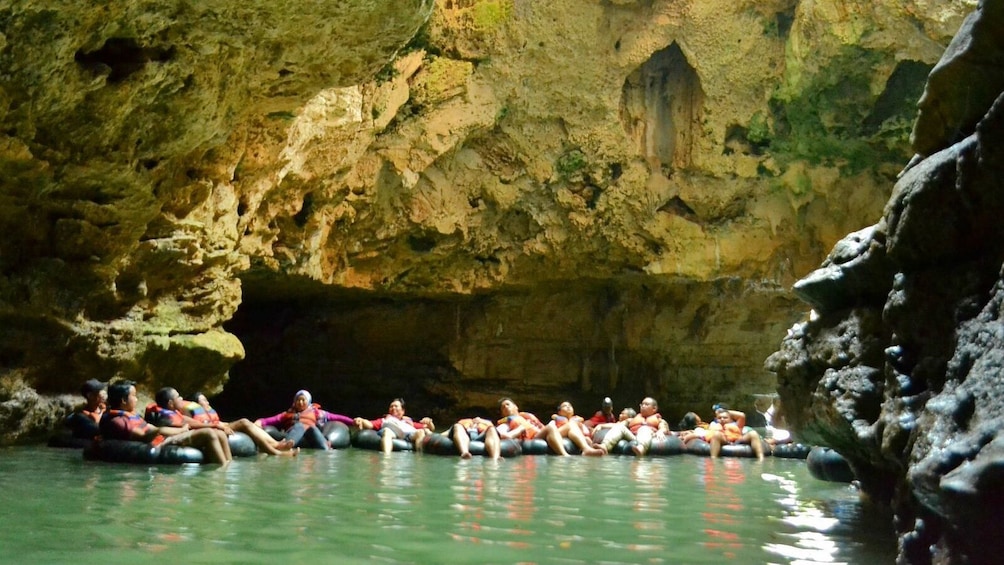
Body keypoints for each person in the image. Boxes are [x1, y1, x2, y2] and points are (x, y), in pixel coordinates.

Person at [99, 380, 232, 464]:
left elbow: (152, 428)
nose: (136, 399)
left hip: (164, 437)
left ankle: (229, 465)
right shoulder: (117, 420)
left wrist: (180, 429)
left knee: (218, 433)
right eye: (133, 396)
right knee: (208, 433)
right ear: (123, 400)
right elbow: (144, 436)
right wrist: (179, 430)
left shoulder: (131, 415)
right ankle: (222, 471)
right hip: (159, 442)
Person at [151, 389, 298, 456]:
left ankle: (276, 446)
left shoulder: (177, 411)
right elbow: (194, 424)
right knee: (244, 423)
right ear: (170, 403)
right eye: (178, 397)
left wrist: (219, 424)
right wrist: (216, 425)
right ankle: (275, 451)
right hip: (207, 430)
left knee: (245, 422)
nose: (181, 398)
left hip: (214, 425)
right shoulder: (179, 412)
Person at [255, 390, 354, 450]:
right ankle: (286, 447)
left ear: (308, 401)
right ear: (294, 402)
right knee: (299, 426)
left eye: (303, 400)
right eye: (298, 400)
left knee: (312, 429)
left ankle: (325, 450)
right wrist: (259, 422)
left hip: (311, 438)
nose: (300, 402)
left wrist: (352, 422)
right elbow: (268, 421)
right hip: (293, 436)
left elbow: (337, 417)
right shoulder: (286, 414)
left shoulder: (317, 412)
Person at [354, 398, 435, 454]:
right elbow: (370, 424)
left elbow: (430, 428)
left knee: (420, 432)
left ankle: (419, 456)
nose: (393, 408)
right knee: (387, 432)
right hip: (392, 432)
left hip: (407, 435)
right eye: (391, 406)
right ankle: (386, 457)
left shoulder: (408, 422)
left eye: (396, 406)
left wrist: (429, 422)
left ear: (403, 411)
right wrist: (361, 420)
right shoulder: (385, 419)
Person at [496, 397, 570, 456]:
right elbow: (501, 435)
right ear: (502, 414)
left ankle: (582, 450)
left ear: (516, 407)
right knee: (550, 427)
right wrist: (520, 429)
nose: (505, 407)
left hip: (543, 433)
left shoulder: (526, 416)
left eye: (508, 404)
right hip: (533, 439)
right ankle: (564, 454)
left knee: (571, 425)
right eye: (503, 407)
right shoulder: (506, 423)